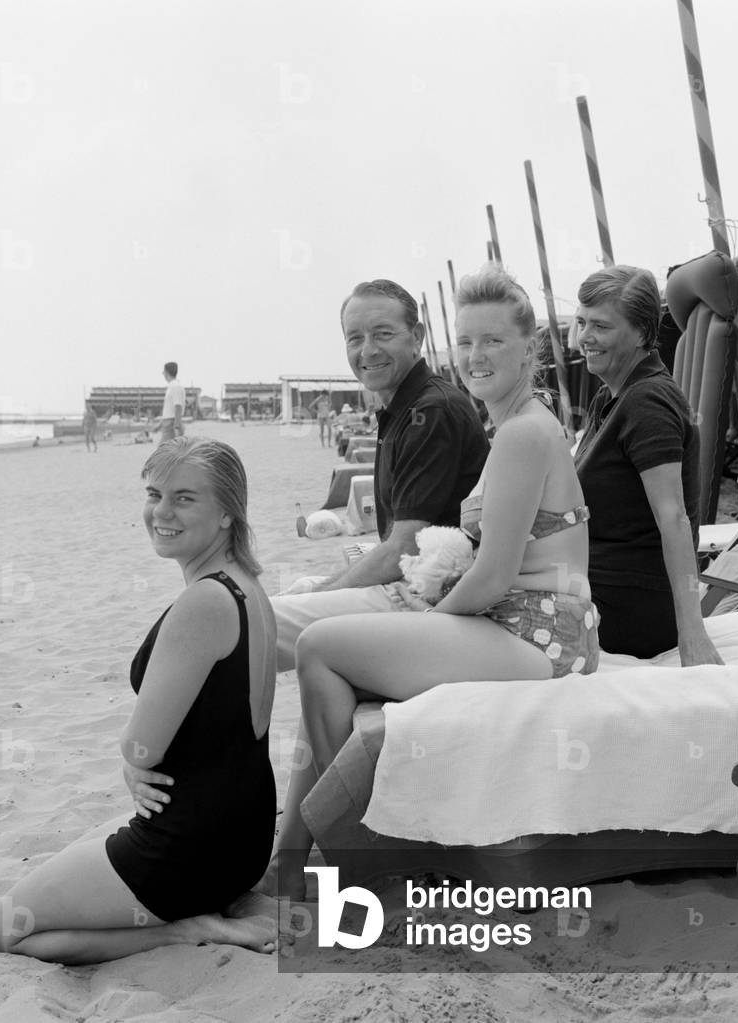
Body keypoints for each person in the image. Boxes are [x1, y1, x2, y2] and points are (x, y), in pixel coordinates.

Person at [257, 265, 600, 901]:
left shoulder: (524, 433)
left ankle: (350, 855)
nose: (476, 356)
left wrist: (424, 622)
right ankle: (294, 856)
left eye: (494, 341)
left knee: (319, 647)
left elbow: (496, 575)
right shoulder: (515, 423)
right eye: (466, 343)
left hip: (540, 634)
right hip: (528, 622)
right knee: (325, 668)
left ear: (531, 348)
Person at [0, 438, 281, 963]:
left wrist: (130, 762)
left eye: (185, 498)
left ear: (225, 515)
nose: (161, 512)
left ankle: (181, 931)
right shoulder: (246, 586)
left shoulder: (204, 602)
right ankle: (186, 916)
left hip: (188, 850)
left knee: (5, 928)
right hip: (242, 840)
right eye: (154, 493)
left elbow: (144, 749)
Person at [271, 279, 490, 671]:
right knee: (291, 596)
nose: (367, 350)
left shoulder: (431, 411)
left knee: (254, 628)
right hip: (415, 580)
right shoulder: (406, 408)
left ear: (416, 337)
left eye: (383, 334)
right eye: (354, 338)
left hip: (429, 594)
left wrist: (323, 593)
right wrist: (319, 589)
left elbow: (402, 549)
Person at [573, 264, 723, 665]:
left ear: (641, 333)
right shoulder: (610, 398)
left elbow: (674, 517)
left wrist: (692, 633)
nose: (584, 337)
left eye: (601, 326)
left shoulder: (646, 403)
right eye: (581, 321)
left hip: (631, 607)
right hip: (602, 585)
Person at [160, 362, 185, 443]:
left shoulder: (175, 386)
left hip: (171, 424)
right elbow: (169, 409)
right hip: (168, 423)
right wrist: (160, 425)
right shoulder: (172, 386)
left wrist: (176, 426)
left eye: (163, 371)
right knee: (167, 452)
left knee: (164, 451)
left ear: (167, 372)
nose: (163, 374)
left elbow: (178, 406)